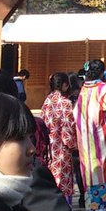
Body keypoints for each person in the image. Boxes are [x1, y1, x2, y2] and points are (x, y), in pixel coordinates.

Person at [72, 58, 106, 211]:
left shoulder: (84, 89)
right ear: (102, 72)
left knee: (88, 169)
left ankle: (90, 206)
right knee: (103, 168)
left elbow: (76, 113)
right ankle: (101, 205)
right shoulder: (105, 88)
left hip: (85, 135)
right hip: (101, 134)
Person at [40, 71, 78, 202]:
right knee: (63, 180)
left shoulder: (47, 101)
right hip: (61, 147)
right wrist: (74, 145)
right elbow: (67, 128)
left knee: (52, 178)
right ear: (65, 85)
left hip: (49, 146)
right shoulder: (65, 103)